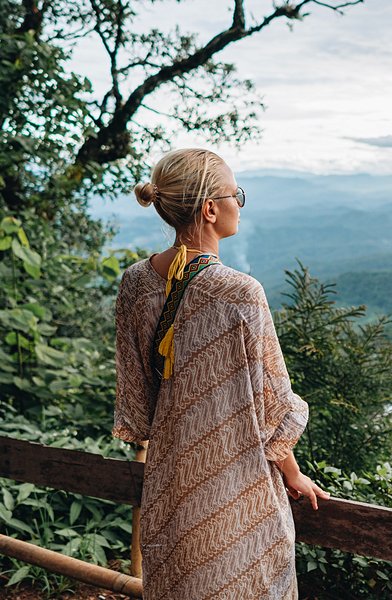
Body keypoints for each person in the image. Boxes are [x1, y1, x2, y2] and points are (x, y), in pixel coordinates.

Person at [112, 148, 328, 599]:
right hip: (238, 494)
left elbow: (138, 406)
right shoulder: (240, 293)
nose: (239, 204)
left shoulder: (134, 283)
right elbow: (273, 407)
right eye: (236, 194)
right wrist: (292, 474)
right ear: (210, 208)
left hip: (169, 492)